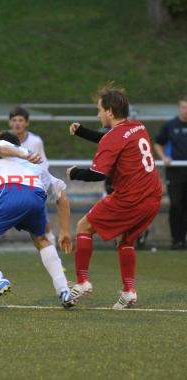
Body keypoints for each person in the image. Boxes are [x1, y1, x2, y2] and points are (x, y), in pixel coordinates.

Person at [67, 86, 162, 309]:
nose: (98, 114)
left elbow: (99, 173)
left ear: (109, 111)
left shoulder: (114, 137)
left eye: (99, 110)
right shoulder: (137, 127)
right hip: (153, 197)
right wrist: (82, 132)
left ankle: (82, 282)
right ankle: (129, 291)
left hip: (130, 198)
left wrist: (74, 173)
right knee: (126, 240)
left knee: (84, 227)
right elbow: (112, 139)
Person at [0, 131, 76, 309]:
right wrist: (65, 231)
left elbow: (3, 148)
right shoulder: (39, 167)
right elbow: (62, 199)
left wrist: (23, 153)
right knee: (42, 240)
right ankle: (64, 290)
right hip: (36, 199)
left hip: (9, 193)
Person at [0, 106, 53, 255]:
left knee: (44, 228)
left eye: (21, 120)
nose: (17, 123)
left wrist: (45, 182)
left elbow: (43, 163)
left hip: (31, 188)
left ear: (26, 123)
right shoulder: (2, 141)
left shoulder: (35, 141)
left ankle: (57, 264)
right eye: (14, 120)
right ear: (9, 123)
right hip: (5, 189)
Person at [153, 95, 187, 250]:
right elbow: (158, 143)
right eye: (183, 107)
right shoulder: (170, 125)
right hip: (175, 172)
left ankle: (184, 239)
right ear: (179, 108)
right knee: (176, 205)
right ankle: (176, 239)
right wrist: (164, 157)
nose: (185, 110)